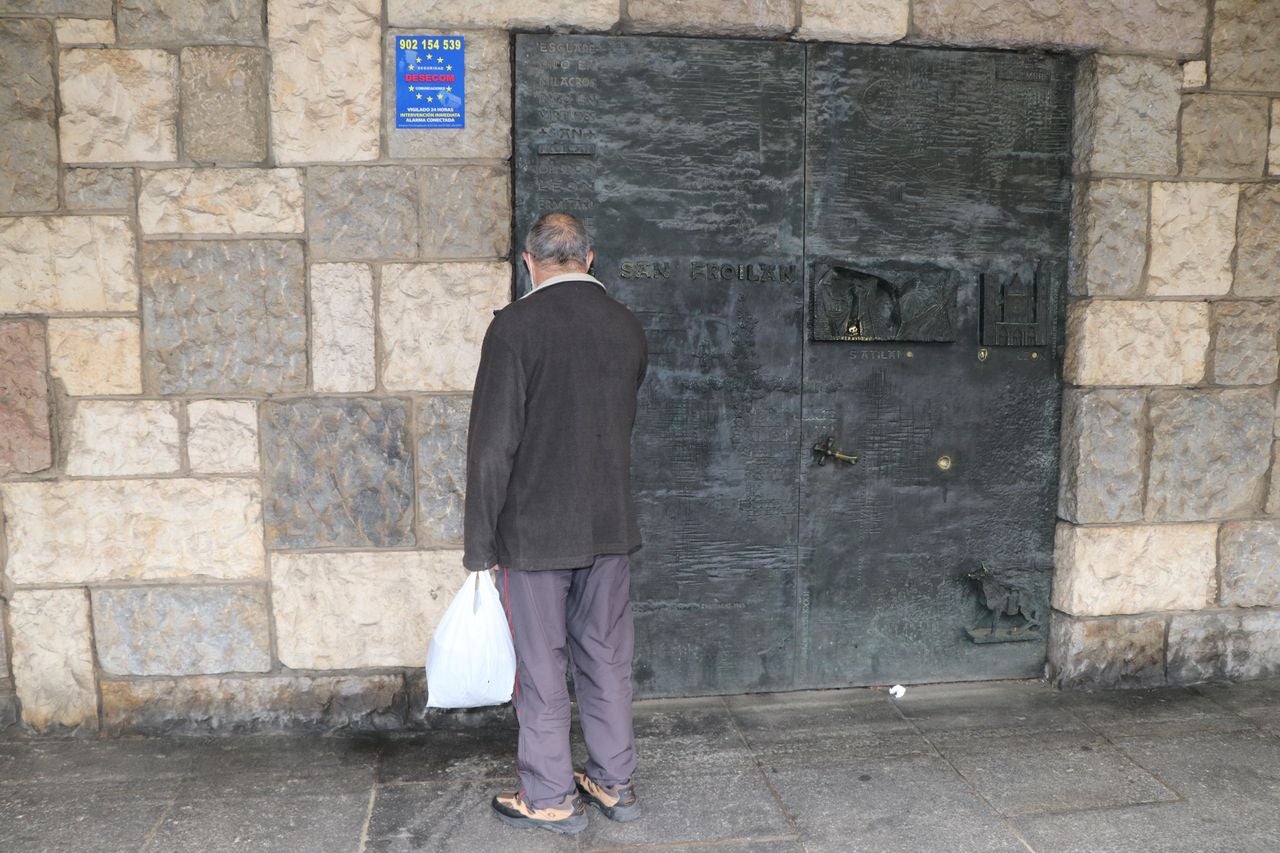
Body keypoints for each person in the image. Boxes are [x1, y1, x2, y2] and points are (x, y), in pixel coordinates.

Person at [463, 212, 648, 835]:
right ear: (589, 258)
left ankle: (548, 797)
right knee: (606, 658)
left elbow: (492, 446)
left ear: (529, 260)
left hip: (537, 534)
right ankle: (613, 784)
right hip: (609, 526)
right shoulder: (626, 327)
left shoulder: (514, 329)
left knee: (542, 667)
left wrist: (479, 543)